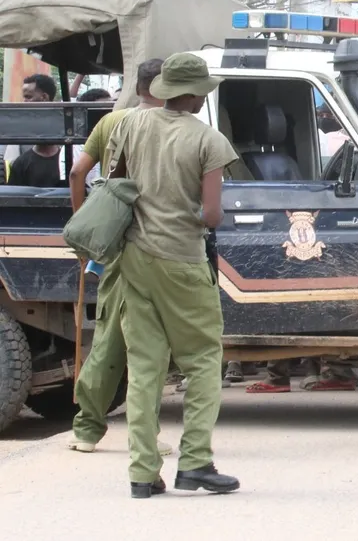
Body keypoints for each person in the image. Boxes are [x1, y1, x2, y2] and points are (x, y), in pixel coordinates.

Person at [106, 53, 241, 498]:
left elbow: (117, 185)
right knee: (203, 359)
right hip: (182, 260)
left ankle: (143, 473)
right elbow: (213, 215)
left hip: (134, 258)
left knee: (145, 366)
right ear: (195, 94)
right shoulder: (210, 141)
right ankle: (196, 463)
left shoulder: (129, 125)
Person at [66, 59, 168, 455]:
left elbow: (78, 173)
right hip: (159, 244)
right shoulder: (174, 126)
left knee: (108, 336)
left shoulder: (112, 121)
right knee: (151, 344)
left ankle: (87, 429)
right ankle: (147, 435)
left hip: (115, 244)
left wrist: (87, 229)